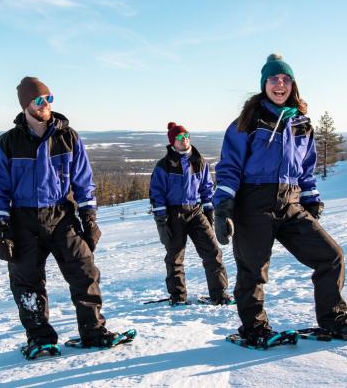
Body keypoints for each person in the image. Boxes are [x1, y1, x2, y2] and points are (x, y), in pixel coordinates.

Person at [213, 54, 347, 345]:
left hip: (290, 204)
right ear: (264, 84)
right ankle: (255, 327)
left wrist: (311, 200)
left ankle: (334, 318)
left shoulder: (301, 124)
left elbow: (306, 169)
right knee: (253, 271)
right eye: (274, 79)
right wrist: (222, 208)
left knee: (331, 256)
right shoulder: (248, 121)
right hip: (253, 204)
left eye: (286, 79)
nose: (280, 84)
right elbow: (229, 167)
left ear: (293, 85)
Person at [0, 77, 118, 356]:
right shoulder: (9, 143)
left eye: (49, 98)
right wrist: (2, 228)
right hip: (23, 219)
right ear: (26, 105)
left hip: (62, 215)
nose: (45, 104)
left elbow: (84, 181)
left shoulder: (68, 137)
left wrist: (90, 218)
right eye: (39, 100)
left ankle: (93, 331)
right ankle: (40, 338)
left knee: (85, 272)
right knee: (27, 282)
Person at [149, 122, 231, 306]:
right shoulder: (164, 165)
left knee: (213, 251)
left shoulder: (199, 161)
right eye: (179, 137)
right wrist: (161, 220)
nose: (184, 139)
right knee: (175, 256)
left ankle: (220, 294)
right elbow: (156, 192)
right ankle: (178, 296)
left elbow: (206, 189)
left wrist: (210, 212)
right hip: (173, 214)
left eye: (186, 136)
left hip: (195, 212)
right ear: (172, 142)